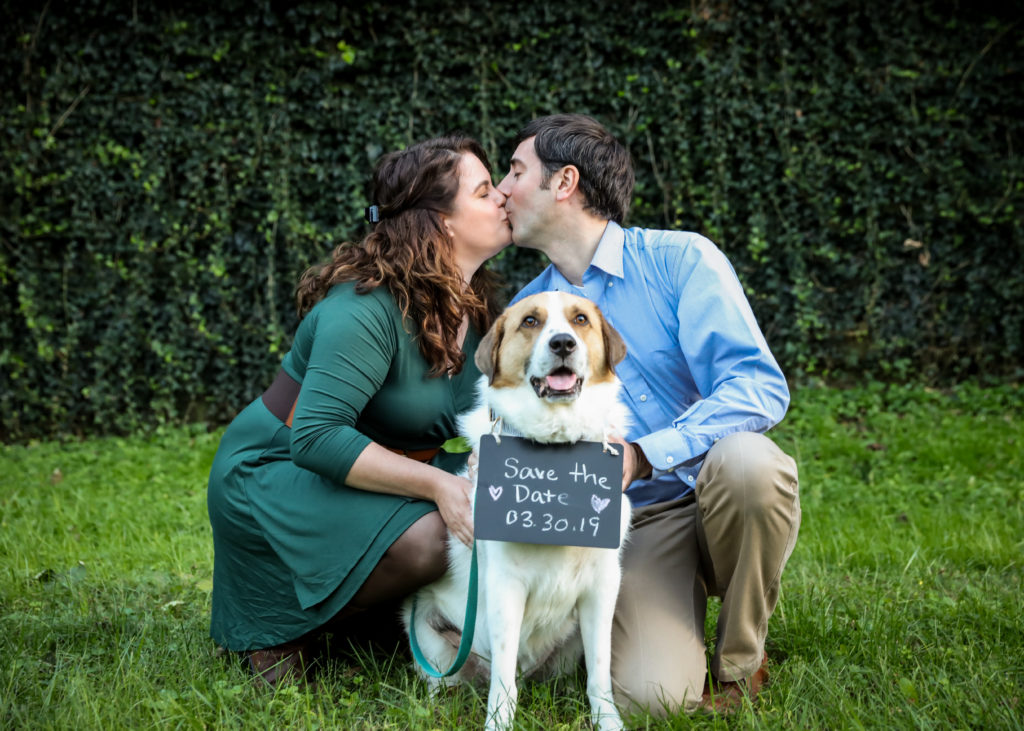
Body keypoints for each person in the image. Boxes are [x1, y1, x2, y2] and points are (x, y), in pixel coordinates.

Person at [496, 114, 800, 716]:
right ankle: (669, 622)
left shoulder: (680, 260)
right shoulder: (528, 312)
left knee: (750, 466)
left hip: (713, 489)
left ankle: (740, 663)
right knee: (650, 700)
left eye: (515, 171)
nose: (502, 190)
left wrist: (644, 454)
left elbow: (758, 387)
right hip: (630, 523)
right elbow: (515, 420)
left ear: (564, 183)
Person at [207, 134, 511, 686]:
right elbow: (316, 436)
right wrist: (440, 486)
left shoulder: (480, 304)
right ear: (443, 222)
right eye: (485, 190)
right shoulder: (364, 309)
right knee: (433, 539)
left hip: (378, 472)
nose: (503, 199)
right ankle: (290, 629)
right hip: (277, 470)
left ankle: (369, 620)